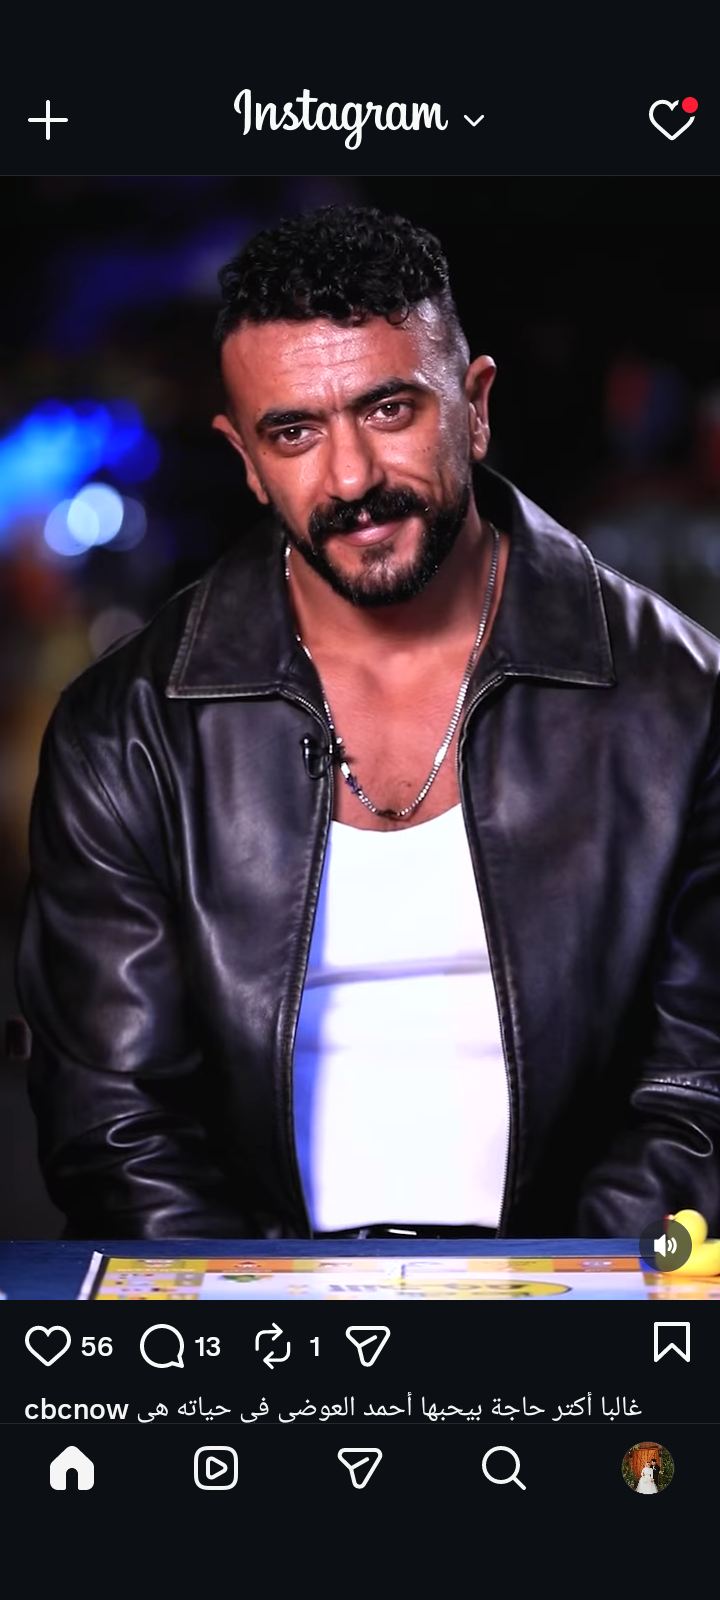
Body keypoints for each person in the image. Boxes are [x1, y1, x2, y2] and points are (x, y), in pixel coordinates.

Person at [15, 204, 720, 1241]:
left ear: (474, 406)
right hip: (250, 1312)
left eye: (389, 409)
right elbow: (118, 1126)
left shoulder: (683, 701)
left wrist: (562, 1299)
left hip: (580, 1294)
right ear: (246, 458)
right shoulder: (129, 732)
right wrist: (256, 1318)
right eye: (294, 432)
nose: (351, 478)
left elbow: (696, 1092)